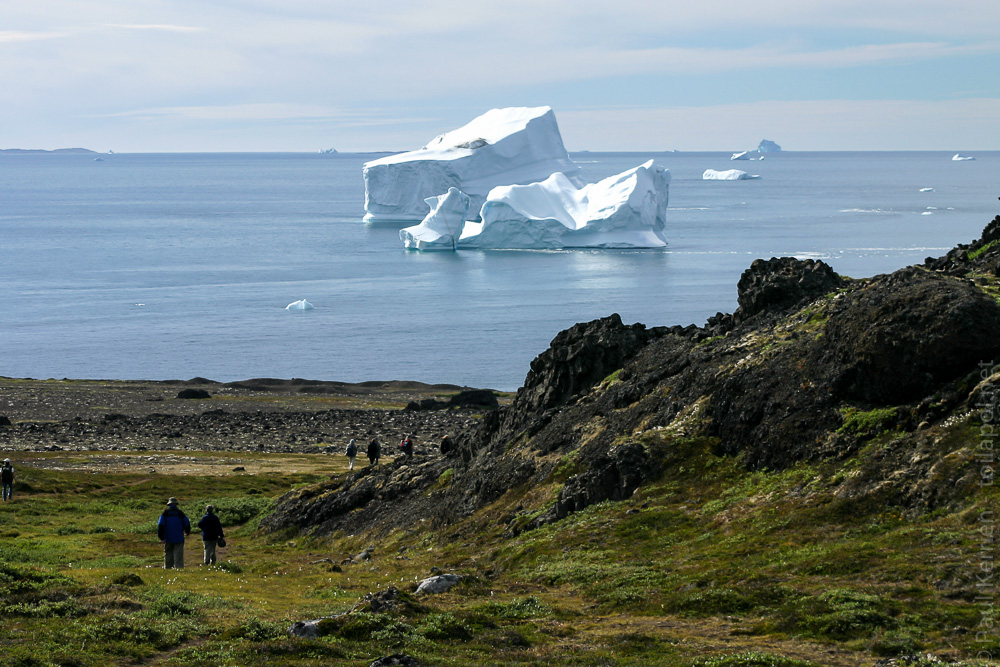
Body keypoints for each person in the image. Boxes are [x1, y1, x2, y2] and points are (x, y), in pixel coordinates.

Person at [157, 497, 191, 569]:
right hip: (179, 538)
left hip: (168, 538)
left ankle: (168, 570)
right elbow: (187, 523)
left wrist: (161, 537)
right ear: (176, 504)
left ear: (169, 504)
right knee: (178, 556)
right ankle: (179, 570)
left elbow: (160, 525)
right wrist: (187, 532)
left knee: (168, 556)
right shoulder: (180, 513)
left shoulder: (165, 513)